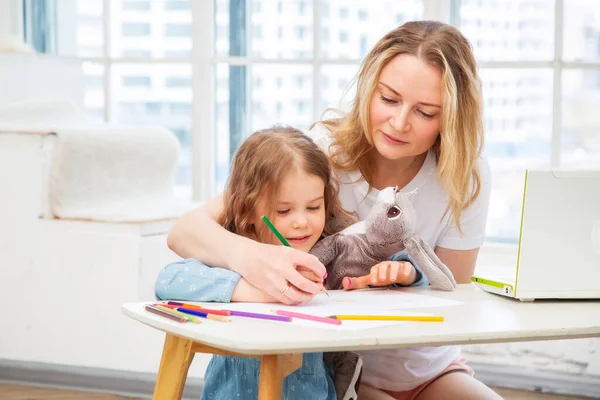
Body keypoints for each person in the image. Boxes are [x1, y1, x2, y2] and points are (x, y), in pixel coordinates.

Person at [167, 20, 501, 400]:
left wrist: (399, 278)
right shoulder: (323, 153)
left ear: (452, 118)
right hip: (347, 374)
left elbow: (453, 295)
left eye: (425, 112)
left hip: (431, 368)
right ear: (368, 89)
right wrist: (258, 262)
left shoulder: (466, 175)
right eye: (389, 99)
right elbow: (185, 232)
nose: (399, 122)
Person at [155, 126, 427, 400]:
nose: (301, 222)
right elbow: (168, 280)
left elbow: (402, 267)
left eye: (313, 207)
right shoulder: (234, 256)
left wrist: (403, 271)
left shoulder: (328, 253)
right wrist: (252, 292)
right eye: (283, 210)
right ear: (249, 210)